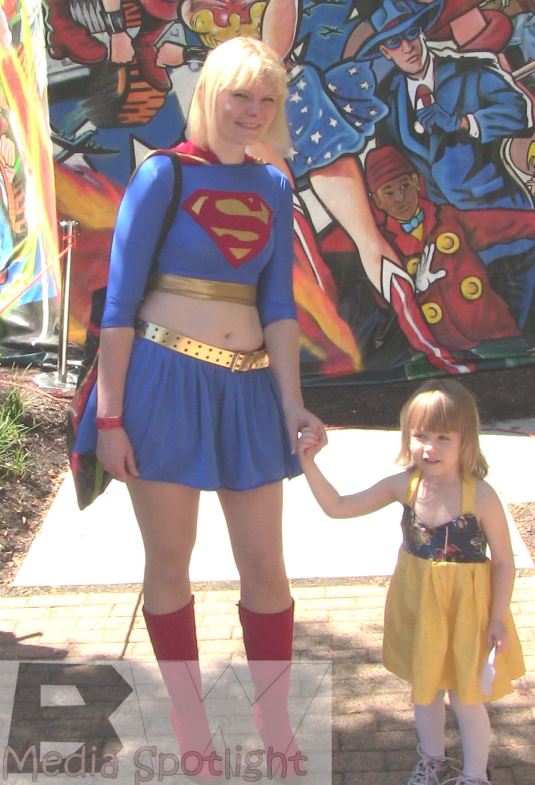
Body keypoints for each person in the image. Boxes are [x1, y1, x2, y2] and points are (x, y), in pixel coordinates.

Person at [73, 35, 325, 777]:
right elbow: (119, 308)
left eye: (267, 99)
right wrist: (110, 419)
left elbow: (278, 307)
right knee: (170, 561)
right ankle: (188, 722)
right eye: (240, 95)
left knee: (266, 566)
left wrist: (292, 405)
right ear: (211, 93)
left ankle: (273, 720)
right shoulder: (164, 174)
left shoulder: (273, 185)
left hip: (248, 390)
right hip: (162, 385)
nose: (253, 111)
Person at [297, 379, 525, 785]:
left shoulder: (481, 496)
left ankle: (475, 775)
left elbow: (505, 563)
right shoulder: (404, 486)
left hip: (469, 615)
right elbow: (339, 507)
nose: (429, 448)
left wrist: (497, 618)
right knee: (425, 688)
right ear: (407, 436)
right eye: (420, 436)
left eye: (443, 437)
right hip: (420, 609)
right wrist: (309, 464)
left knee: (466, 698)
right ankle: (432, 760)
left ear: (466, 440)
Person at [359, 0, 533, 212]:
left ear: (422, 33)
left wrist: (463, 123)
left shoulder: (467, 70)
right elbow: (391, 162)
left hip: (500, 207)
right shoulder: (388, 99)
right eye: (394, 42)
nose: (407, 47)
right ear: (385, 51)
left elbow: (518, 111)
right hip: (444, 222)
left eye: (411, 33)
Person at [364, 144, 535, 345]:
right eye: (389, 193)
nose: (400, 198)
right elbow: (384, 300)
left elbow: (502, 224)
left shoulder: (447, 217)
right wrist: (416, 290)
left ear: (416, 182)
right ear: (377, 201)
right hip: (443, 346)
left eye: (404, 186)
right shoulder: (384, 245)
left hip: (491, 329)